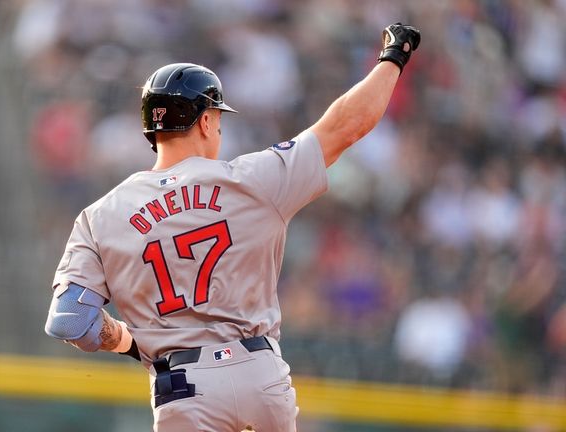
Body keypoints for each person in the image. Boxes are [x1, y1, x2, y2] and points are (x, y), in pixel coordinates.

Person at [44, 23, 421, 432]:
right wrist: (393, 59)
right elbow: (347, 125)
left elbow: (69, 321)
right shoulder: (252, 179)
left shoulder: (101, 215)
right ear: (206, 122)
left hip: (183, 389)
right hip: (261, 377)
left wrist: (127, 341)